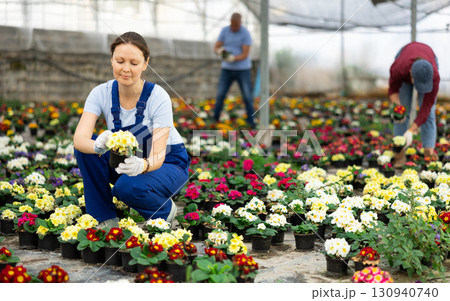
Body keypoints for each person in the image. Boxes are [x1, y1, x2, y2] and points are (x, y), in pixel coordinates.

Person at [74, 32, 190, 228]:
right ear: (111, 60)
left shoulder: (157, 96)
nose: (125, 69)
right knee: (85, 150)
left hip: (167, 163)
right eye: (120, 61)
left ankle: (163, 210)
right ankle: (104, 219)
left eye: (134, 63)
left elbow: (158, 155)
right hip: (126, 159)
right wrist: (97, 145)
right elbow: (79, 138)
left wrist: (142, 166)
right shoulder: (100, 93)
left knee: (126, 187)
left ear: (145, 64)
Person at [388, 41, 440, 166]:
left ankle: (429, 152)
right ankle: (399, 153)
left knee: (429, 113)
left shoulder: (434, 76)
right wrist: (398, 108)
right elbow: (393, 90)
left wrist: (411, 131)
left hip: (429, 57)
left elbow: (426, 107)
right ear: (411, 74)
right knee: (401, 112)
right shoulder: (398, 68)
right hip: (404, 56)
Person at [213, 12, 255, 129]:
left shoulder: (245, 33)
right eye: (232, 24)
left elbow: (245, 54)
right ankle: (215, 119)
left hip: (243, 69)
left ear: (240, 23)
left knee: (247, 96)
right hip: (227, 69)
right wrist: (221, 53)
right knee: (221, 94)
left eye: (236, 25)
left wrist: (233, 58)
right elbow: (216, 47)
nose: (233, 27)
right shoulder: (225, 31)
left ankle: (251, 122)